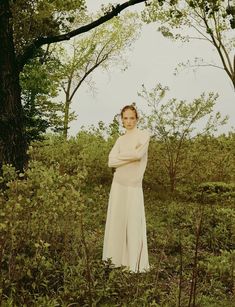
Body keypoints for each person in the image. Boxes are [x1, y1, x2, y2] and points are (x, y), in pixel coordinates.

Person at [102, 104, 150, 273]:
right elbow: (110, 161)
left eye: (131, 117)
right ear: (121, 120)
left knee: (133, 222)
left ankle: (135, 264)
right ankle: (115, 260)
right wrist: (129, 158)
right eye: (125, 118)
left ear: (137, 119)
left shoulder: (144, 135)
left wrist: (121, 157)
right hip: (118, 184)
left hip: (133, 185)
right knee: (117, 220)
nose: (128, 121)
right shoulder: (120, 140)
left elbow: (138, 155)